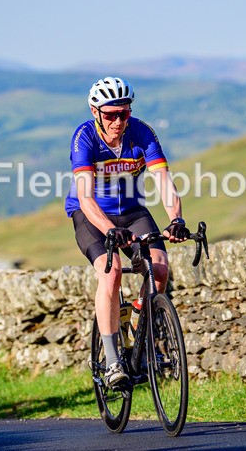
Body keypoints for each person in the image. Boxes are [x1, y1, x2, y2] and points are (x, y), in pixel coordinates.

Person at [65, 77, 191, 387]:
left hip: (133, 211)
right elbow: (85, 197)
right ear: (96, 112)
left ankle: (136, 327)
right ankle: (112, 362)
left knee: (159, 269)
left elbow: (163, 179)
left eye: (124, 113)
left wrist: (176, 219)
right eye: (111, 114)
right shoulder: (84, 137)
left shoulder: (142, 132)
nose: (119, 121)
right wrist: (109, 230)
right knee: (111, 274)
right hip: (92, 215)